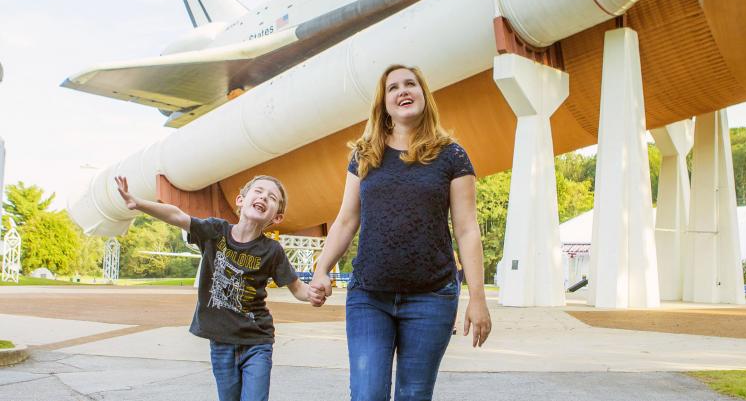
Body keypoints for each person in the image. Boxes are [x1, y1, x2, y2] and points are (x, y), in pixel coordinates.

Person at [309, 64, 492, 401]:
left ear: (424, 95)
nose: (403, 91)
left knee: (413, 395)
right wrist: (321, 269)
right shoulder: (365, 154)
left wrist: (477, 298)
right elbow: (346, 220)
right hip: (369, 296)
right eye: (393, 87)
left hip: (431, 297)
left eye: (411, 84)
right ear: (384, 103)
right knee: (367, 394)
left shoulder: (451, 155)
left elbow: (466, 229)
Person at [114, 175, 325, 401]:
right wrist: (137, 203)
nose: (263, 197)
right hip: (221, 343)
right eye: (259, 191)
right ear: (240, 200)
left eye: (271, 197)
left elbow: (296, 288)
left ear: (277, 216)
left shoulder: (272, 251)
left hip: (257, 342)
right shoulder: (215, 231)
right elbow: (177, 215)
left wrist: (312, 294)